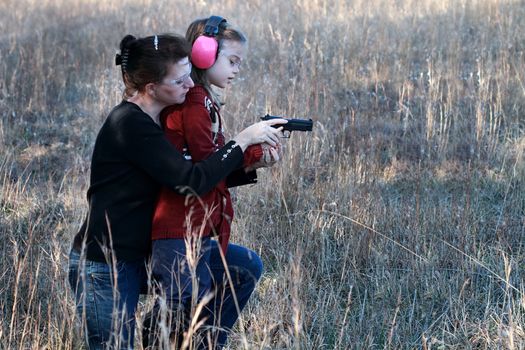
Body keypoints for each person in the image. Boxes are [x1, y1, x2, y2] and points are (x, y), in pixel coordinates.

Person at [68, 32, 285, 350]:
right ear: (152, 88)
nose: (190, 85)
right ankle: (161, 334)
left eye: (190, 75)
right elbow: (191, 181)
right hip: (107, 266)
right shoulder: (130, 125)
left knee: (243, 268)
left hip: (146, 256)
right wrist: (242, 141)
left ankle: (194, 343)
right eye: (180, 80)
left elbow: (189, 181)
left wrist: (253, 165)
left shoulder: (164, 120)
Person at [146, 17, 278, 349]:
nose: (236, 70)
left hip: (201, 228)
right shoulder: (194, 101)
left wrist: (254, 158)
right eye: (232, 61)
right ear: (205, 54)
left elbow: (212, 167)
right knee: (181, 306)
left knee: (246, 269)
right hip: (179, 228)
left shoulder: (202, 99)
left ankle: (205, 345)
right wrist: (246, 143)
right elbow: (208, 163)